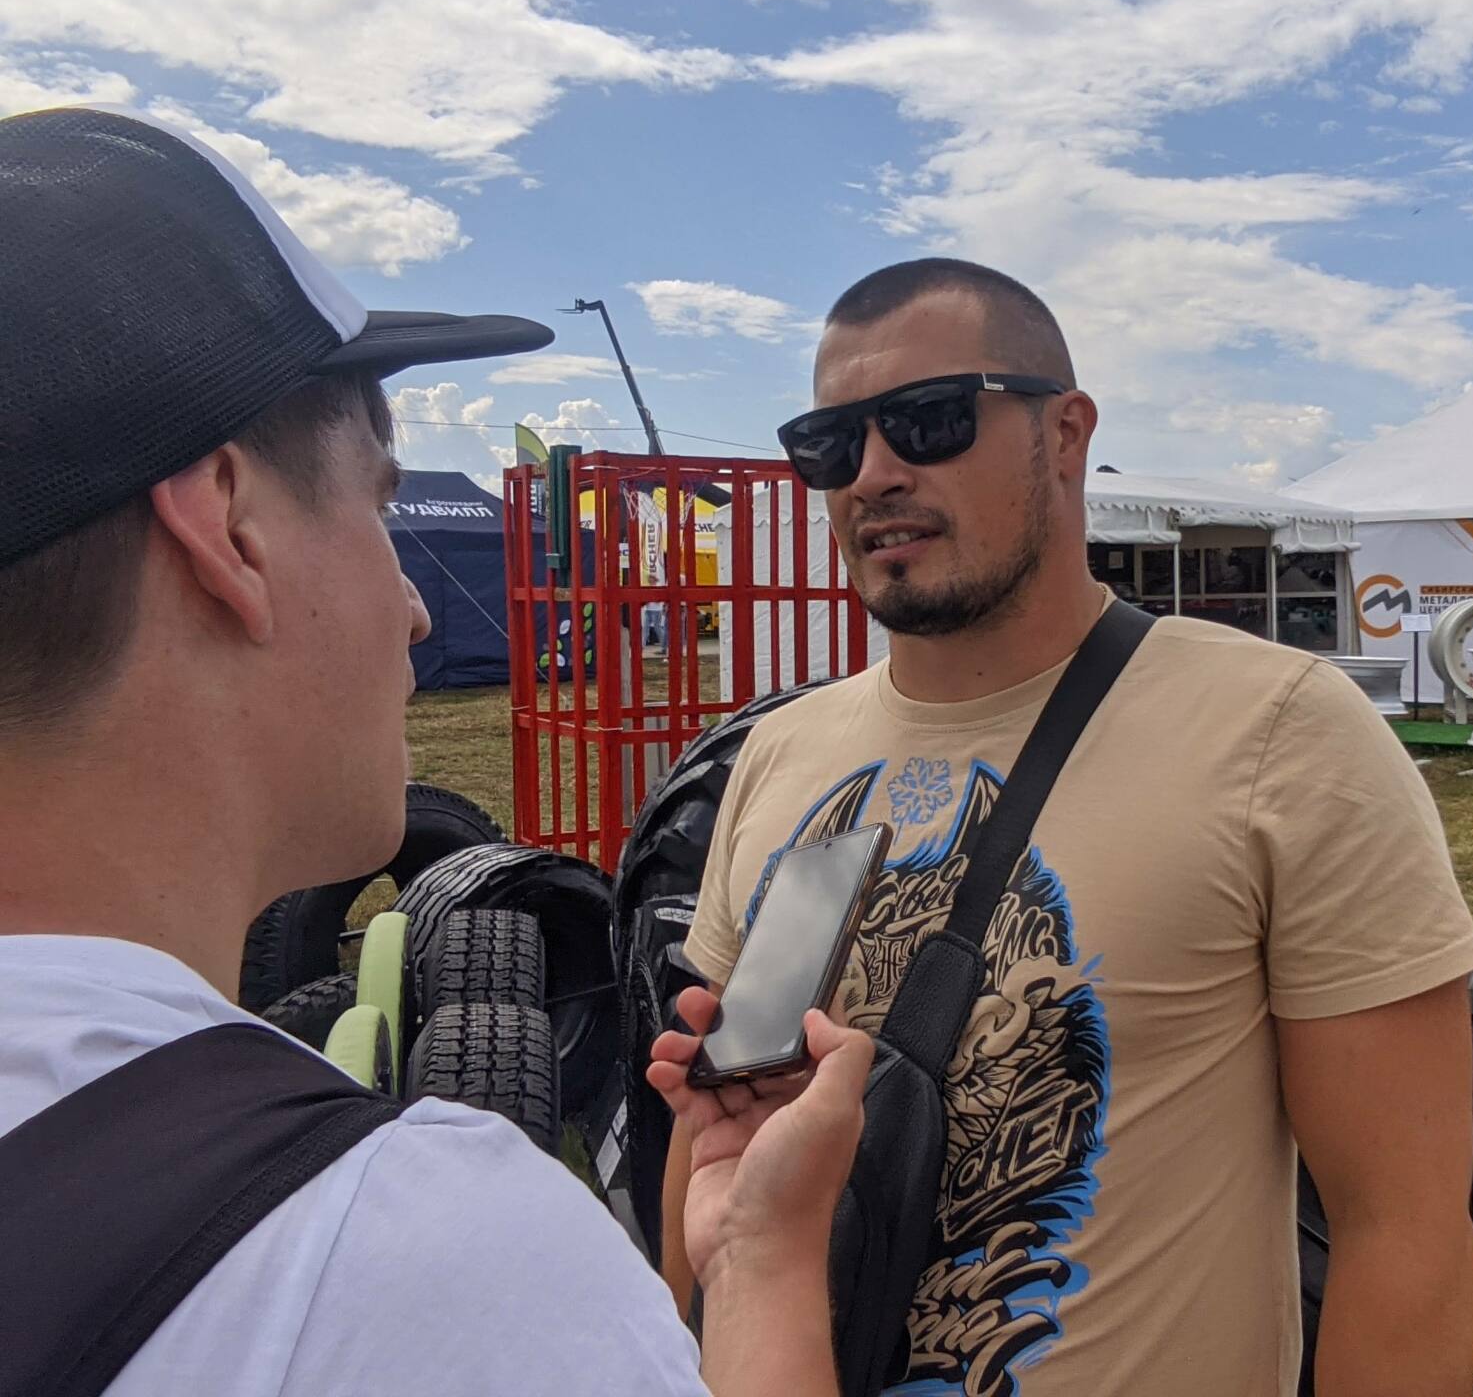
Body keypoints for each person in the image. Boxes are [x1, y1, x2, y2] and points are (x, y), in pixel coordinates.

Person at [0, 105, 866, 1397]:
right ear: (229, 527)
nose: (414, 606)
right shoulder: (414, 1271)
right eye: (380, 502)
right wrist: (763, 1257)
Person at [665, 258, 1473, 1396]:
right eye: (830, 443)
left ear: (1064, 434)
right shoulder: (778, 753)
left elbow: (1404, 1233)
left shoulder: (1280, 733)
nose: (873, 473)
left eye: (929, 420)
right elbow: (714, 1140)